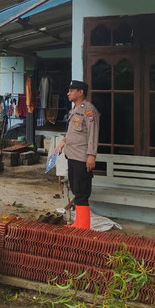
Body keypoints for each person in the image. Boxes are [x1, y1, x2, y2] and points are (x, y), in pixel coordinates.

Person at [54, 80, 100, 229]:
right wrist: (63, 142)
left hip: (82, 158)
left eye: (71, 90)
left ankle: (83, 227)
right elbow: (72, 133)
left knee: (82, 193)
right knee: (76, 190)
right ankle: (78, 223)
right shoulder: (74, 110)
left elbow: (93, 134)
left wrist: (91, 155)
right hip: (72, 156)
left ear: (80, 92)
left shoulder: (89, 110)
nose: (68, 93)